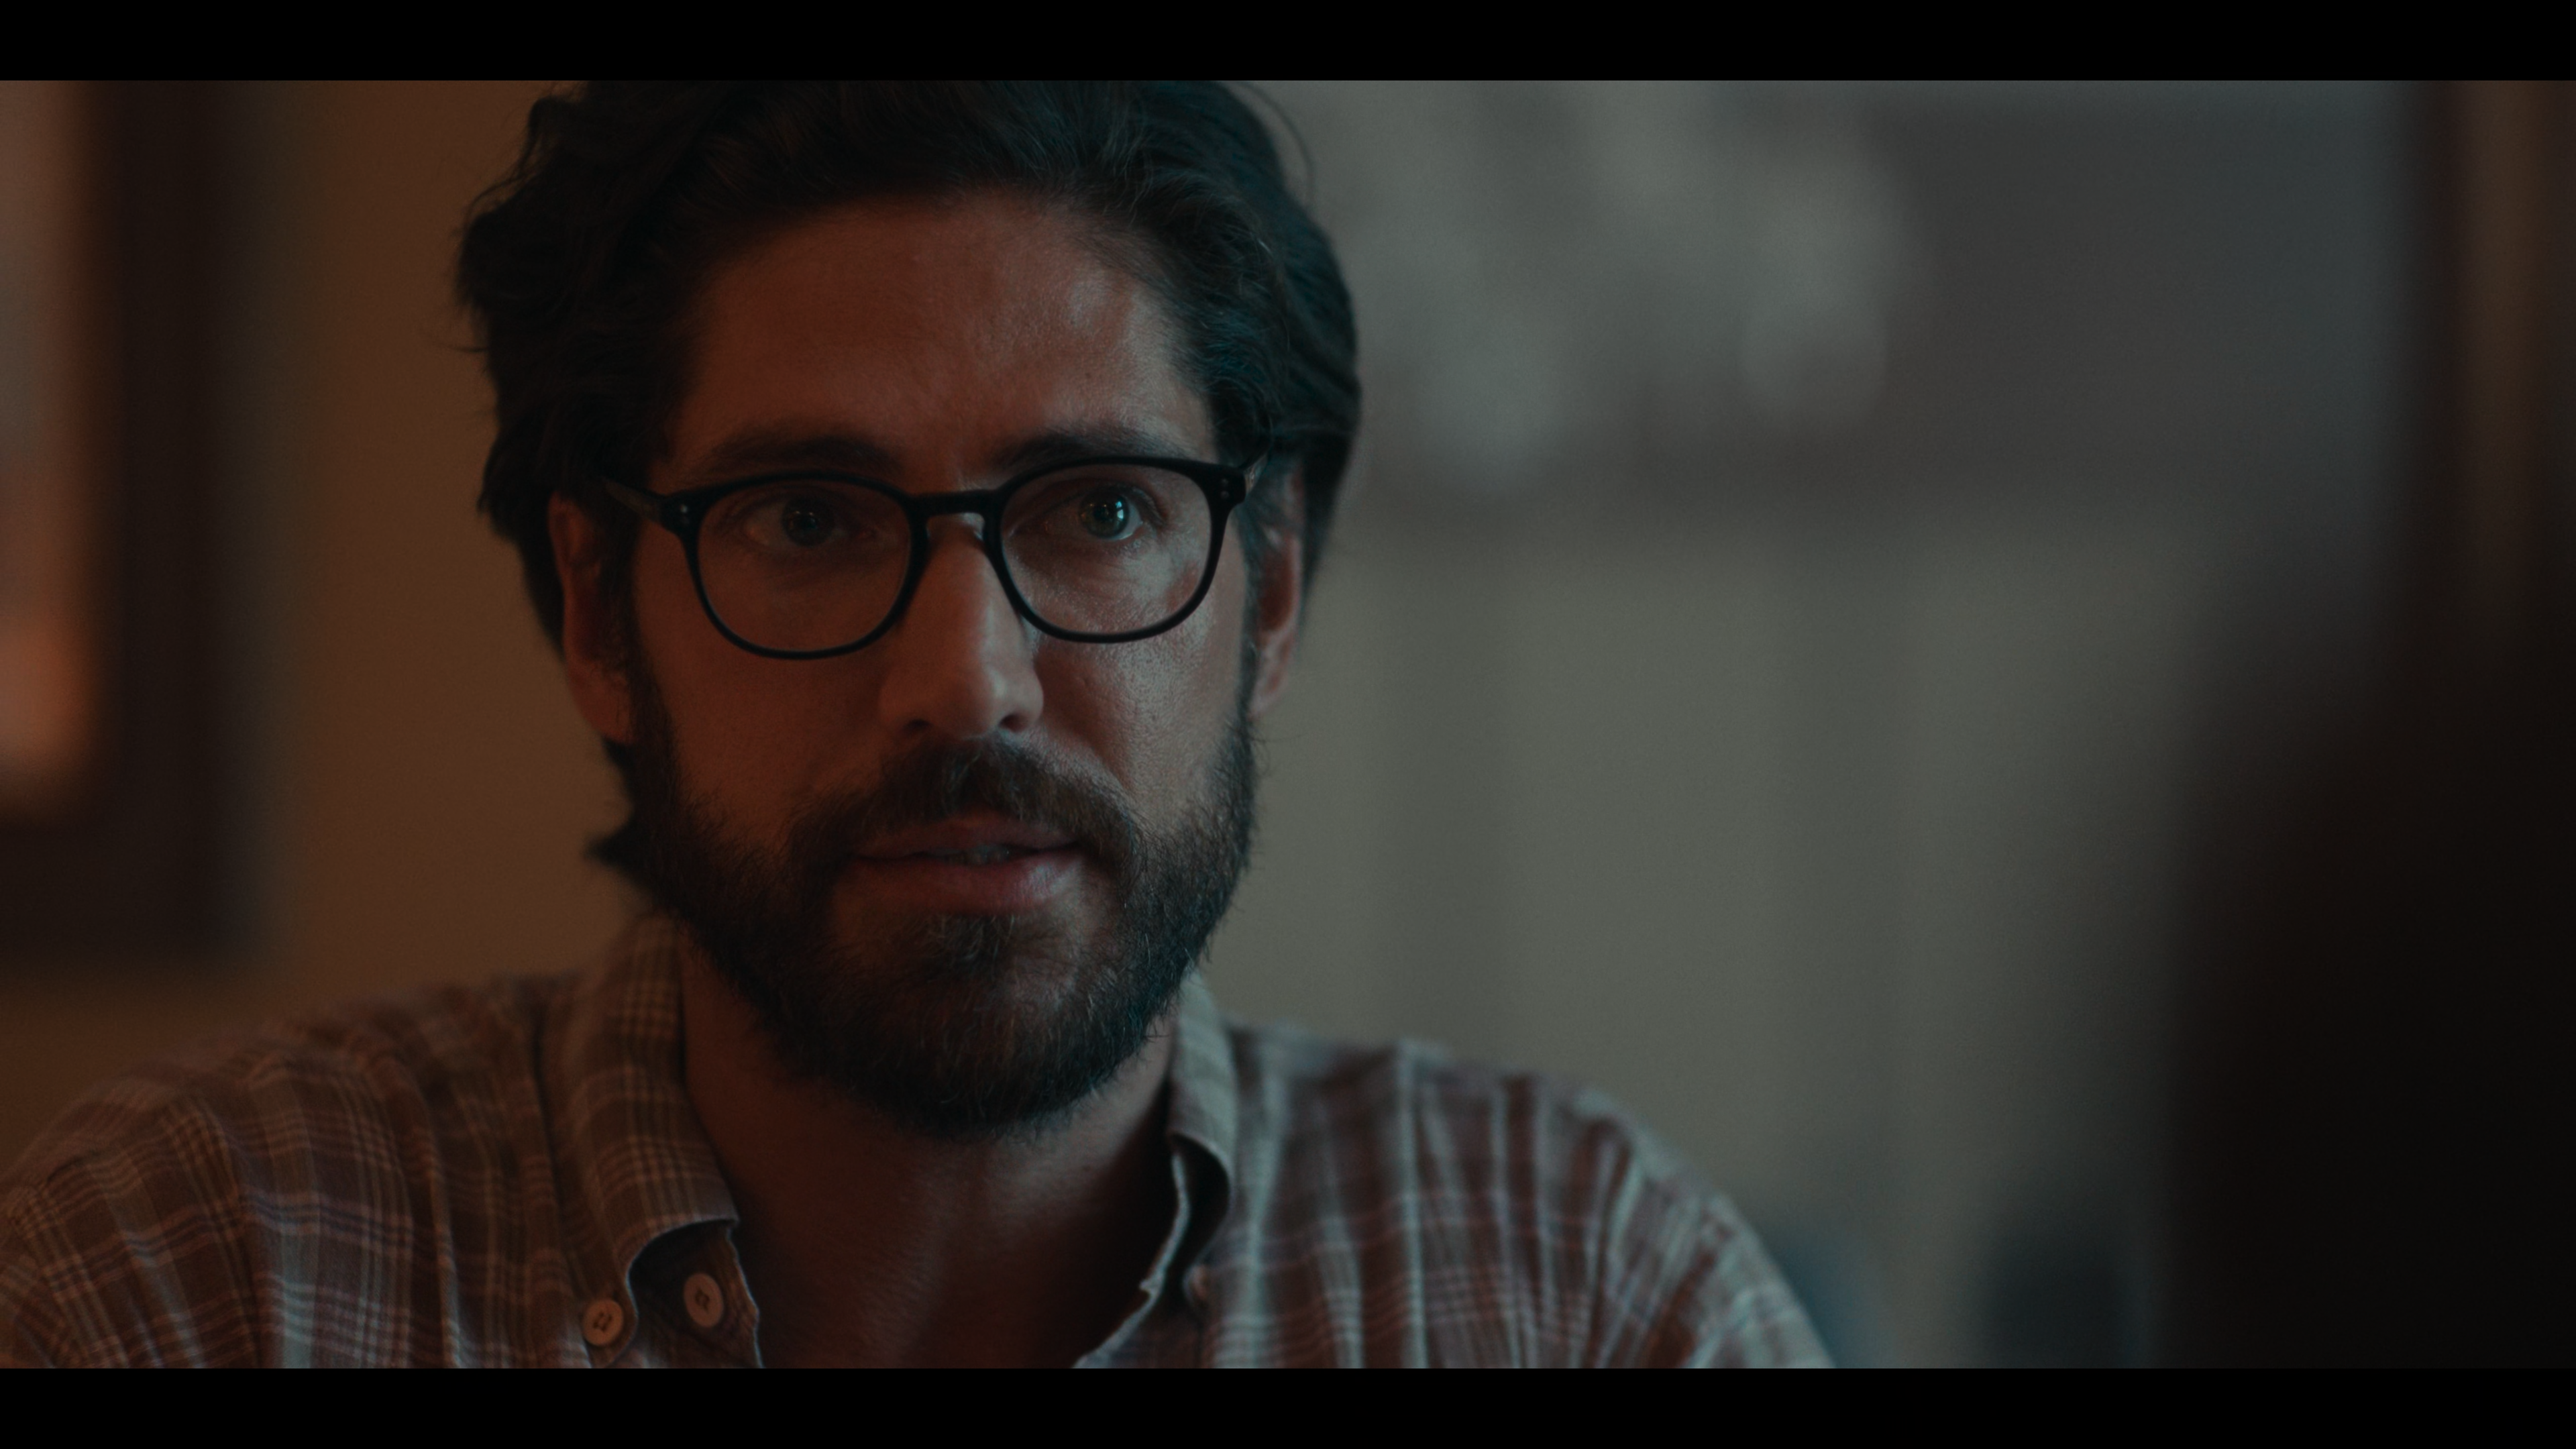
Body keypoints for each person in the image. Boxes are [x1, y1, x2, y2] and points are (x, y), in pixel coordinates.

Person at [0, 82, 1824, 1368]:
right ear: (600, 614)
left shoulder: (1588, 1296)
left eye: (1103, 510)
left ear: (1267, 594)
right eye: (807, 519)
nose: (967, 679)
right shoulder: (190, 1284)